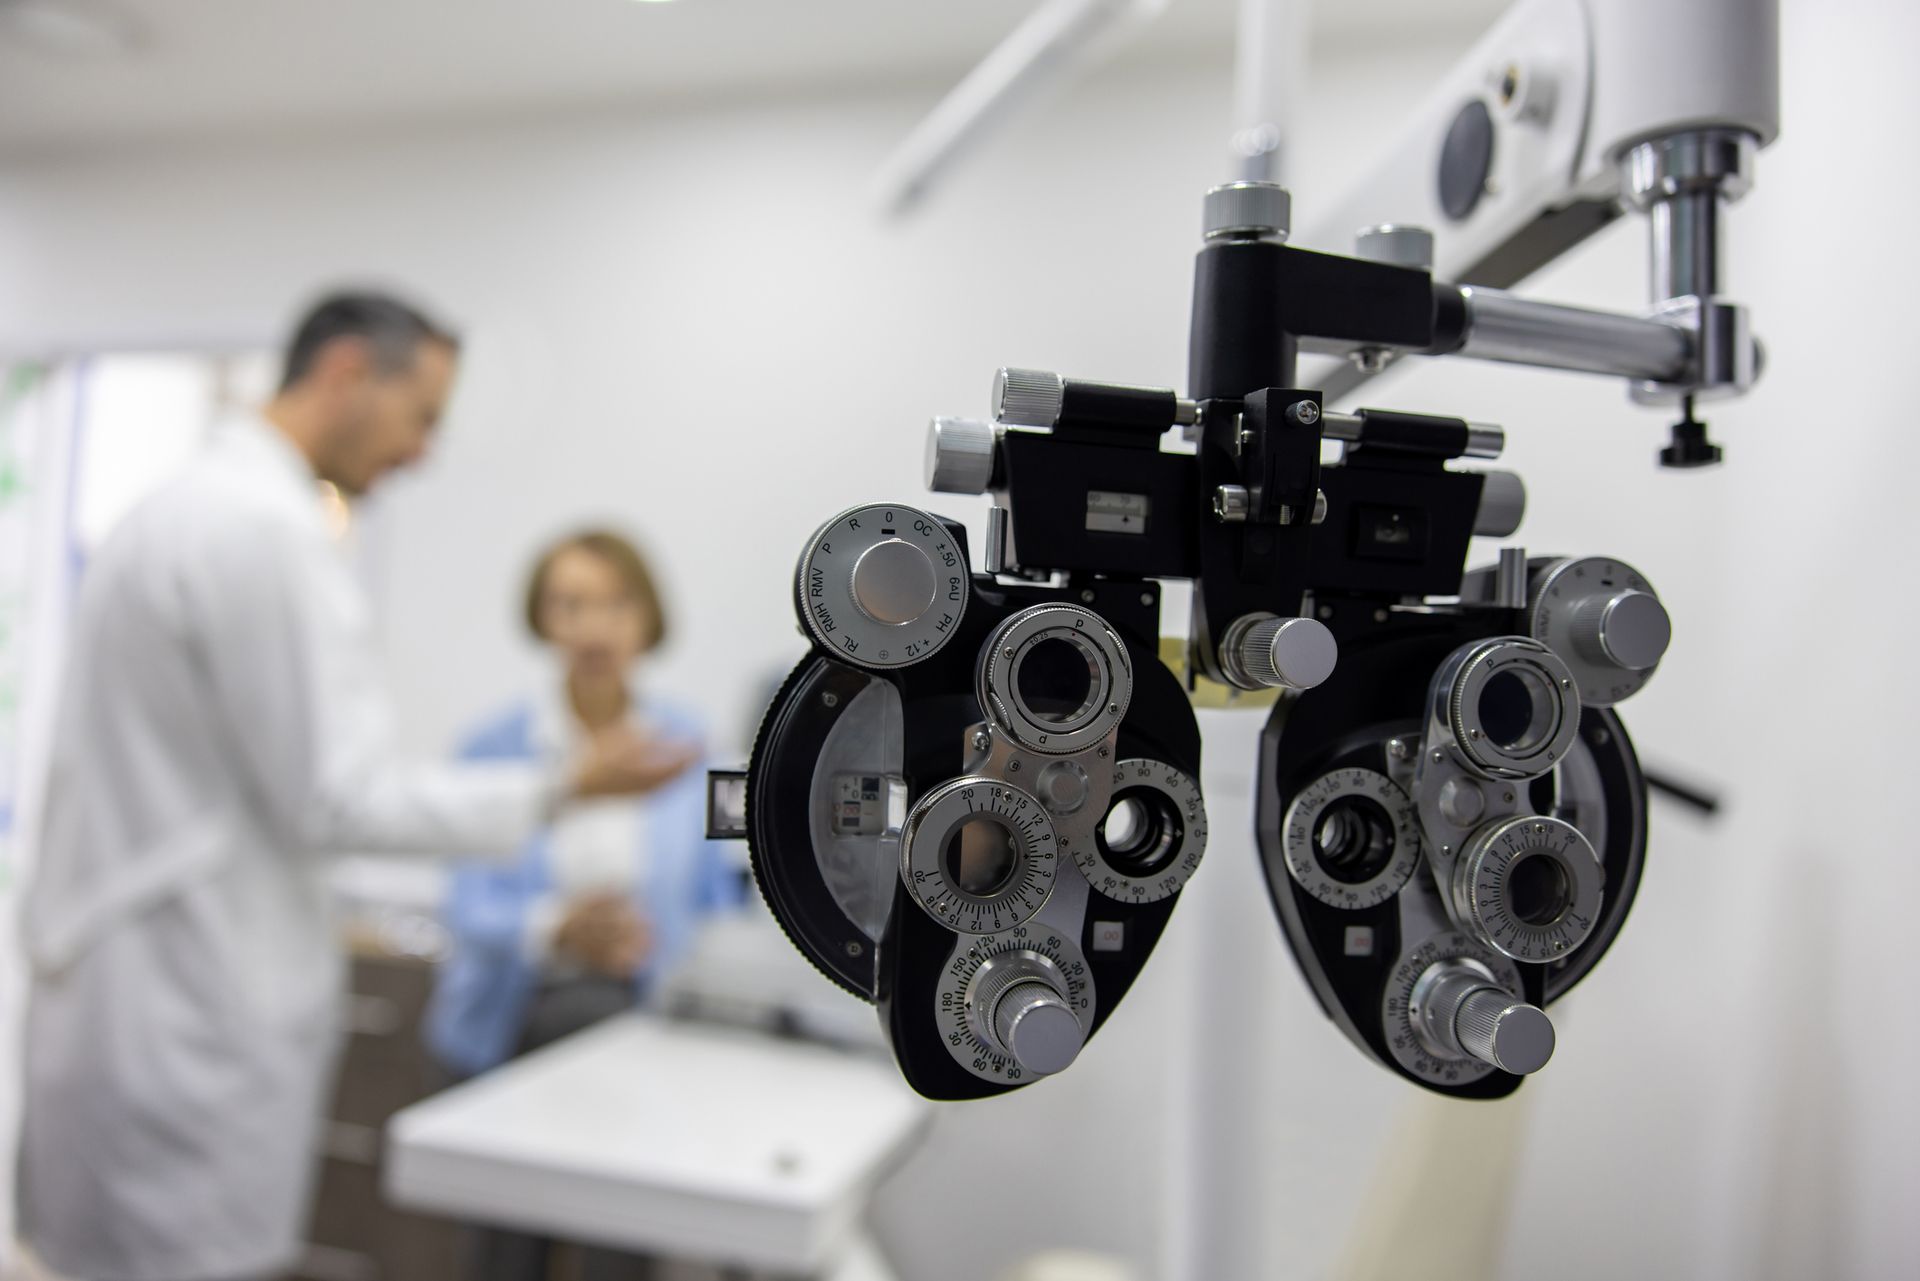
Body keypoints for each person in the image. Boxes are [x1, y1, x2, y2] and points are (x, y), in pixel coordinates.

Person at [18, 292, 700, 1281]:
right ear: (346, 374)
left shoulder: (184, 510)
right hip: (184, 1013)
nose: (421, 453)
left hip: (137, 993)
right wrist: (567, 787)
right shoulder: (265, 533)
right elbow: (340, 799)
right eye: (421, 416)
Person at [423, 531, 742, 1281]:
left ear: (647, 616)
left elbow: (721, 902)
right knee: (506, 1254)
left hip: (641, 1034)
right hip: (509, 1027)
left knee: (621, 1250)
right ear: (541, 618)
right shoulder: (491, 747)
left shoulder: (694, 747)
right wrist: (555, 928)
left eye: (614, 603)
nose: (594, 626)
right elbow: (466, 908)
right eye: (570, 604)